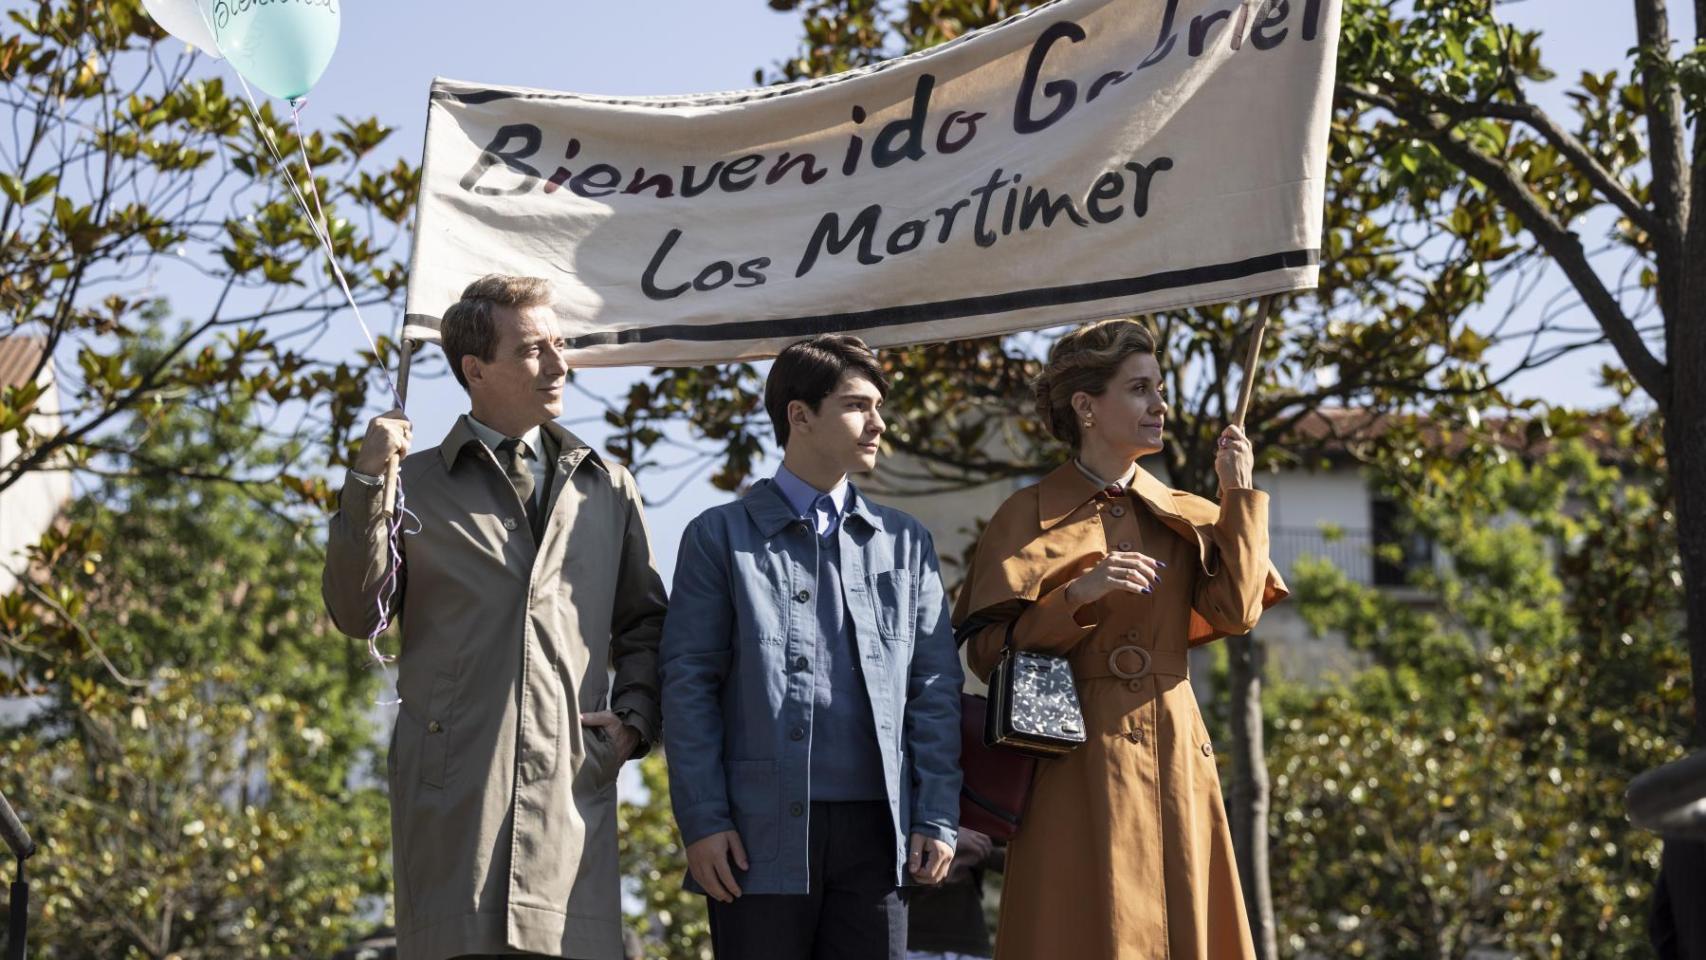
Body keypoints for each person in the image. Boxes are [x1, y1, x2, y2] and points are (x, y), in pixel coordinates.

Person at [323, 275, 667, 960]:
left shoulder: (608, 487)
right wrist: (365, 483)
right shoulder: (410, 484)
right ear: (475, 369)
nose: (559, 365)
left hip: (572, 799)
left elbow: (646, 627)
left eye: (560, 345)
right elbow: (358, 613)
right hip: (456, 804)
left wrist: (632, 723)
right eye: (535, 350)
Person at [953, 318, 1287, 960]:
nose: (1160, 405)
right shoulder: (1025, 516)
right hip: (1072, 766)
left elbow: (1238, 611)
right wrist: (1074, 598)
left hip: (1176, 754)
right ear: (1086, 406)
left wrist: (1237, 492)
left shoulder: (1187, 513)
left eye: (1160, 388)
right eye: (1139, 389)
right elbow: (987, 653)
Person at [660, 334, 963, 960]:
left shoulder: (906, 543)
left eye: (878, 406)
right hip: (756, 835)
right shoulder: (717, 537)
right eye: (856, 406)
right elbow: (689, 688)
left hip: (880, 836)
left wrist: (935, 814)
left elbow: (934, 689)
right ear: (799, 415)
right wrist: (704, 821)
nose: (878, 423)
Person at [904, 827, 1003, 960]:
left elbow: (1019, 850)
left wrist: (976, 844)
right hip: (904, 935)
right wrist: (944, 833)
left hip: (966, 935)